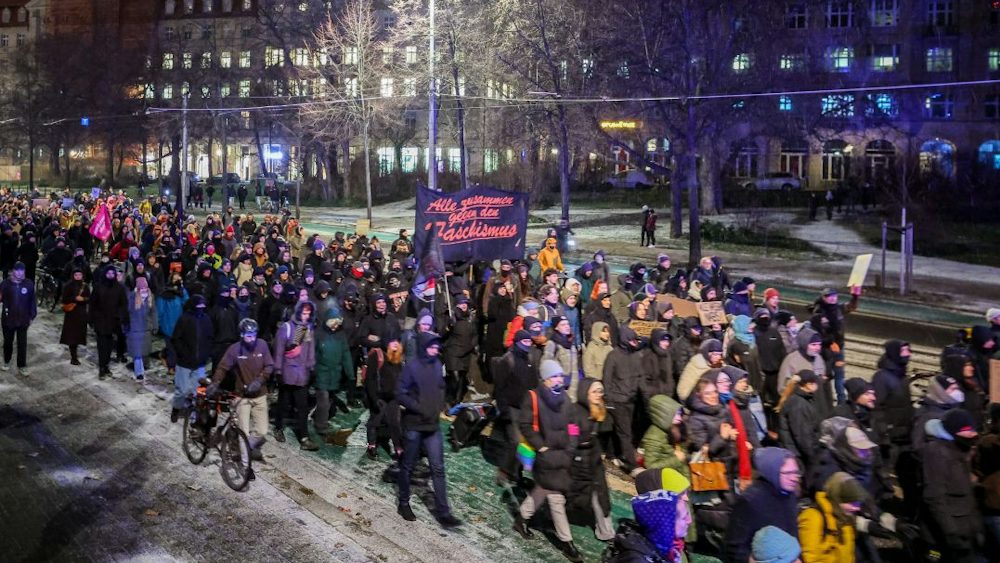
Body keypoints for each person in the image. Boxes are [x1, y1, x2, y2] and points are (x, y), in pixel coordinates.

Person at [511, 360, 582, 562]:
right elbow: (525, 424)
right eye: (555, 376)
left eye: (560, 375)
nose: (560, 379)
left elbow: (573, 425)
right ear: (545, 379)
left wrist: (571, 446)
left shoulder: (565, 399)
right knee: (556, 498)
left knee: (543, 490)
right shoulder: (533, 397)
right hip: (546, 456)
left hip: (562, 456)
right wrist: (541, 446)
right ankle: (567, 543)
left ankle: (521, 518)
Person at [395, 331, 462, 529]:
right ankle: (403, 502)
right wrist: (419, 407)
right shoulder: (412, 367)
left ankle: (444, 512)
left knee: (438, 468)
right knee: (407, 466)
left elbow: (441, 387)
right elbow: (400, 393)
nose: (435, 350)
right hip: (414, 426)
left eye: (437, 347)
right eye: (432, 346)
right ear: (424, 347)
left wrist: (438, 406)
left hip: (432, 426)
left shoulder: (436, 365)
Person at [921, 408, 982, 563]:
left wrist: (977, 528)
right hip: (945, 534)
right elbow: (934, 498)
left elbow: (966, 495)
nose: (972, 434)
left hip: (965, 529)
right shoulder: (937, 453)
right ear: (952, 432)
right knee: (937, 558)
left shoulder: (961, 451)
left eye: (972, 430)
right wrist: (951, 534)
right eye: (966, 431)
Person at [208, 318, 273, 460]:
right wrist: (215, 382)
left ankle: (244, 446)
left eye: (254, 335)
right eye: (248, 335)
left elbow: (269, 366)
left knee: (262, 431)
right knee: (243, 431)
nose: (252, 338)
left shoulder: (262, 345)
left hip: (260, 395)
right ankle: (245, 465)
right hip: (242, 396)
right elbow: (223, 367)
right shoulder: (235, 349)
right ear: (242, 335)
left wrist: (260, 380)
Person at [723, 447, 801, 563]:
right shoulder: (751, 500)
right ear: (771, 471)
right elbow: (734, 546)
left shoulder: (789, 495)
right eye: (787, 473)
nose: (794, 478)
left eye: (796, 472)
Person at [566, 378, 615, 543]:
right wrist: (580, 442)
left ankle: (606, 532)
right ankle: (551, 514)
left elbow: (605, 431)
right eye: (594, 391)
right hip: (577, 462)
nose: (598, 395)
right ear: (585, 392)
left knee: (600, 496)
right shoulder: (574, 412)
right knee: (570, 495)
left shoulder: (598, 410)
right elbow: (571, 437)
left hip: (593, 461)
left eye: (600, 391)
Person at [272, 300, 320, 451]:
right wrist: (278, 370)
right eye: (304, 313)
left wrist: (311, 366)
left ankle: (304, 437)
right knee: (283, 402)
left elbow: (310, 349)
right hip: (288, 373)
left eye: (308, 314)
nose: (306, 316)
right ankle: (278, 427)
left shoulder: (307, 329)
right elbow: (279, 350)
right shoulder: (286, 328)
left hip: (302, 375)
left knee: (302, 406)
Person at [798, 472, 866, 563]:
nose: (857, 508)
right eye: (852, 503)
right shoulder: (813, 517)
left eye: (858, 504)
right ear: (837, 500)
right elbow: (810, 558)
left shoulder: (846, 518)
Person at [170, 294, 213, 422]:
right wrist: (183, 353)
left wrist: (206, 353)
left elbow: (210, 338)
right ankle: (176, 409)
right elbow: (176, 339)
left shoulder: (206, 319)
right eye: (199, 306)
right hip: (185, 362)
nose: (201, 308)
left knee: (198, 392)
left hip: (200, 363)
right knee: (182, 391)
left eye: (203, 306)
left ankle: (195, 413)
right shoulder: (184, 319)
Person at [776, 369, 822, 480]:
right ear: (808, 385)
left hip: (796, 453)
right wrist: (814, 456)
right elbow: (802, 435)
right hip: (797, 456)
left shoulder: (801, 400)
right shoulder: (799, 404)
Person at [363, 337, 403, 459]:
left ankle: (399, 448)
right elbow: (370, 379)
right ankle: (372, 445)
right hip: (379, 396)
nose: (395, 345)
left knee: (395, 423)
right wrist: (374, 398)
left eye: (397, 343)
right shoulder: (377, 356)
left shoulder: (398, 359)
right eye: (392, 343)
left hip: (393, 397)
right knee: (375, 422)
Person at [90, 264, 128, 380]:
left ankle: (105, 365)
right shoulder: (98, 287)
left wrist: (123, 318)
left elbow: (123, 304)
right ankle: (102, 367)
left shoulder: (119, 288)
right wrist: (91, 319)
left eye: (112, 274)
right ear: (105, 274)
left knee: (109, 346)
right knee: (102, 345)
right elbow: (92, 304)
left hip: (113, 322)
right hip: (100, 321)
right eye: (108, 273)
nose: (110, 275)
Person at [0, 261, 36, 376]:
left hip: (23, 319)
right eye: (17, 270)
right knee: (8, 342)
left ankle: (22, 365)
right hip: (8, 319)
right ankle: (6, 360)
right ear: (13, 271)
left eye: (22, 271)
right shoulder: (5, 284)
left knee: (22, 343)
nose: (20, 273)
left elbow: (32, 301)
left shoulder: (29, 284)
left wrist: (32, 315)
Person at [125, 276, 157, 381]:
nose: (144, 290)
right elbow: (128, 311)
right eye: (141, 288)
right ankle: (139, 372)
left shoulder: (151, 296)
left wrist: (155, 325)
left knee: (144, 351)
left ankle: (142, 367)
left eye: (145, 288)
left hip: (146, 328)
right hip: (135, 328)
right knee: (137, 352)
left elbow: (153, 313)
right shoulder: (132, 296)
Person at [59, 267, 90, 366]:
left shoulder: (85, 286)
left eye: (79, 275)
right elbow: (64, 299)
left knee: (78, 335)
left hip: (81, 314)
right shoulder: (68, 285)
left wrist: (83, 299)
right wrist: (75, 299)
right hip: (71, 314)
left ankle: (75, 354)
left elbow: (89, 298)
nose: (78, 277)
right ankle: (74, 357)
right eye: (76, 275)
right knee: (72, 336)